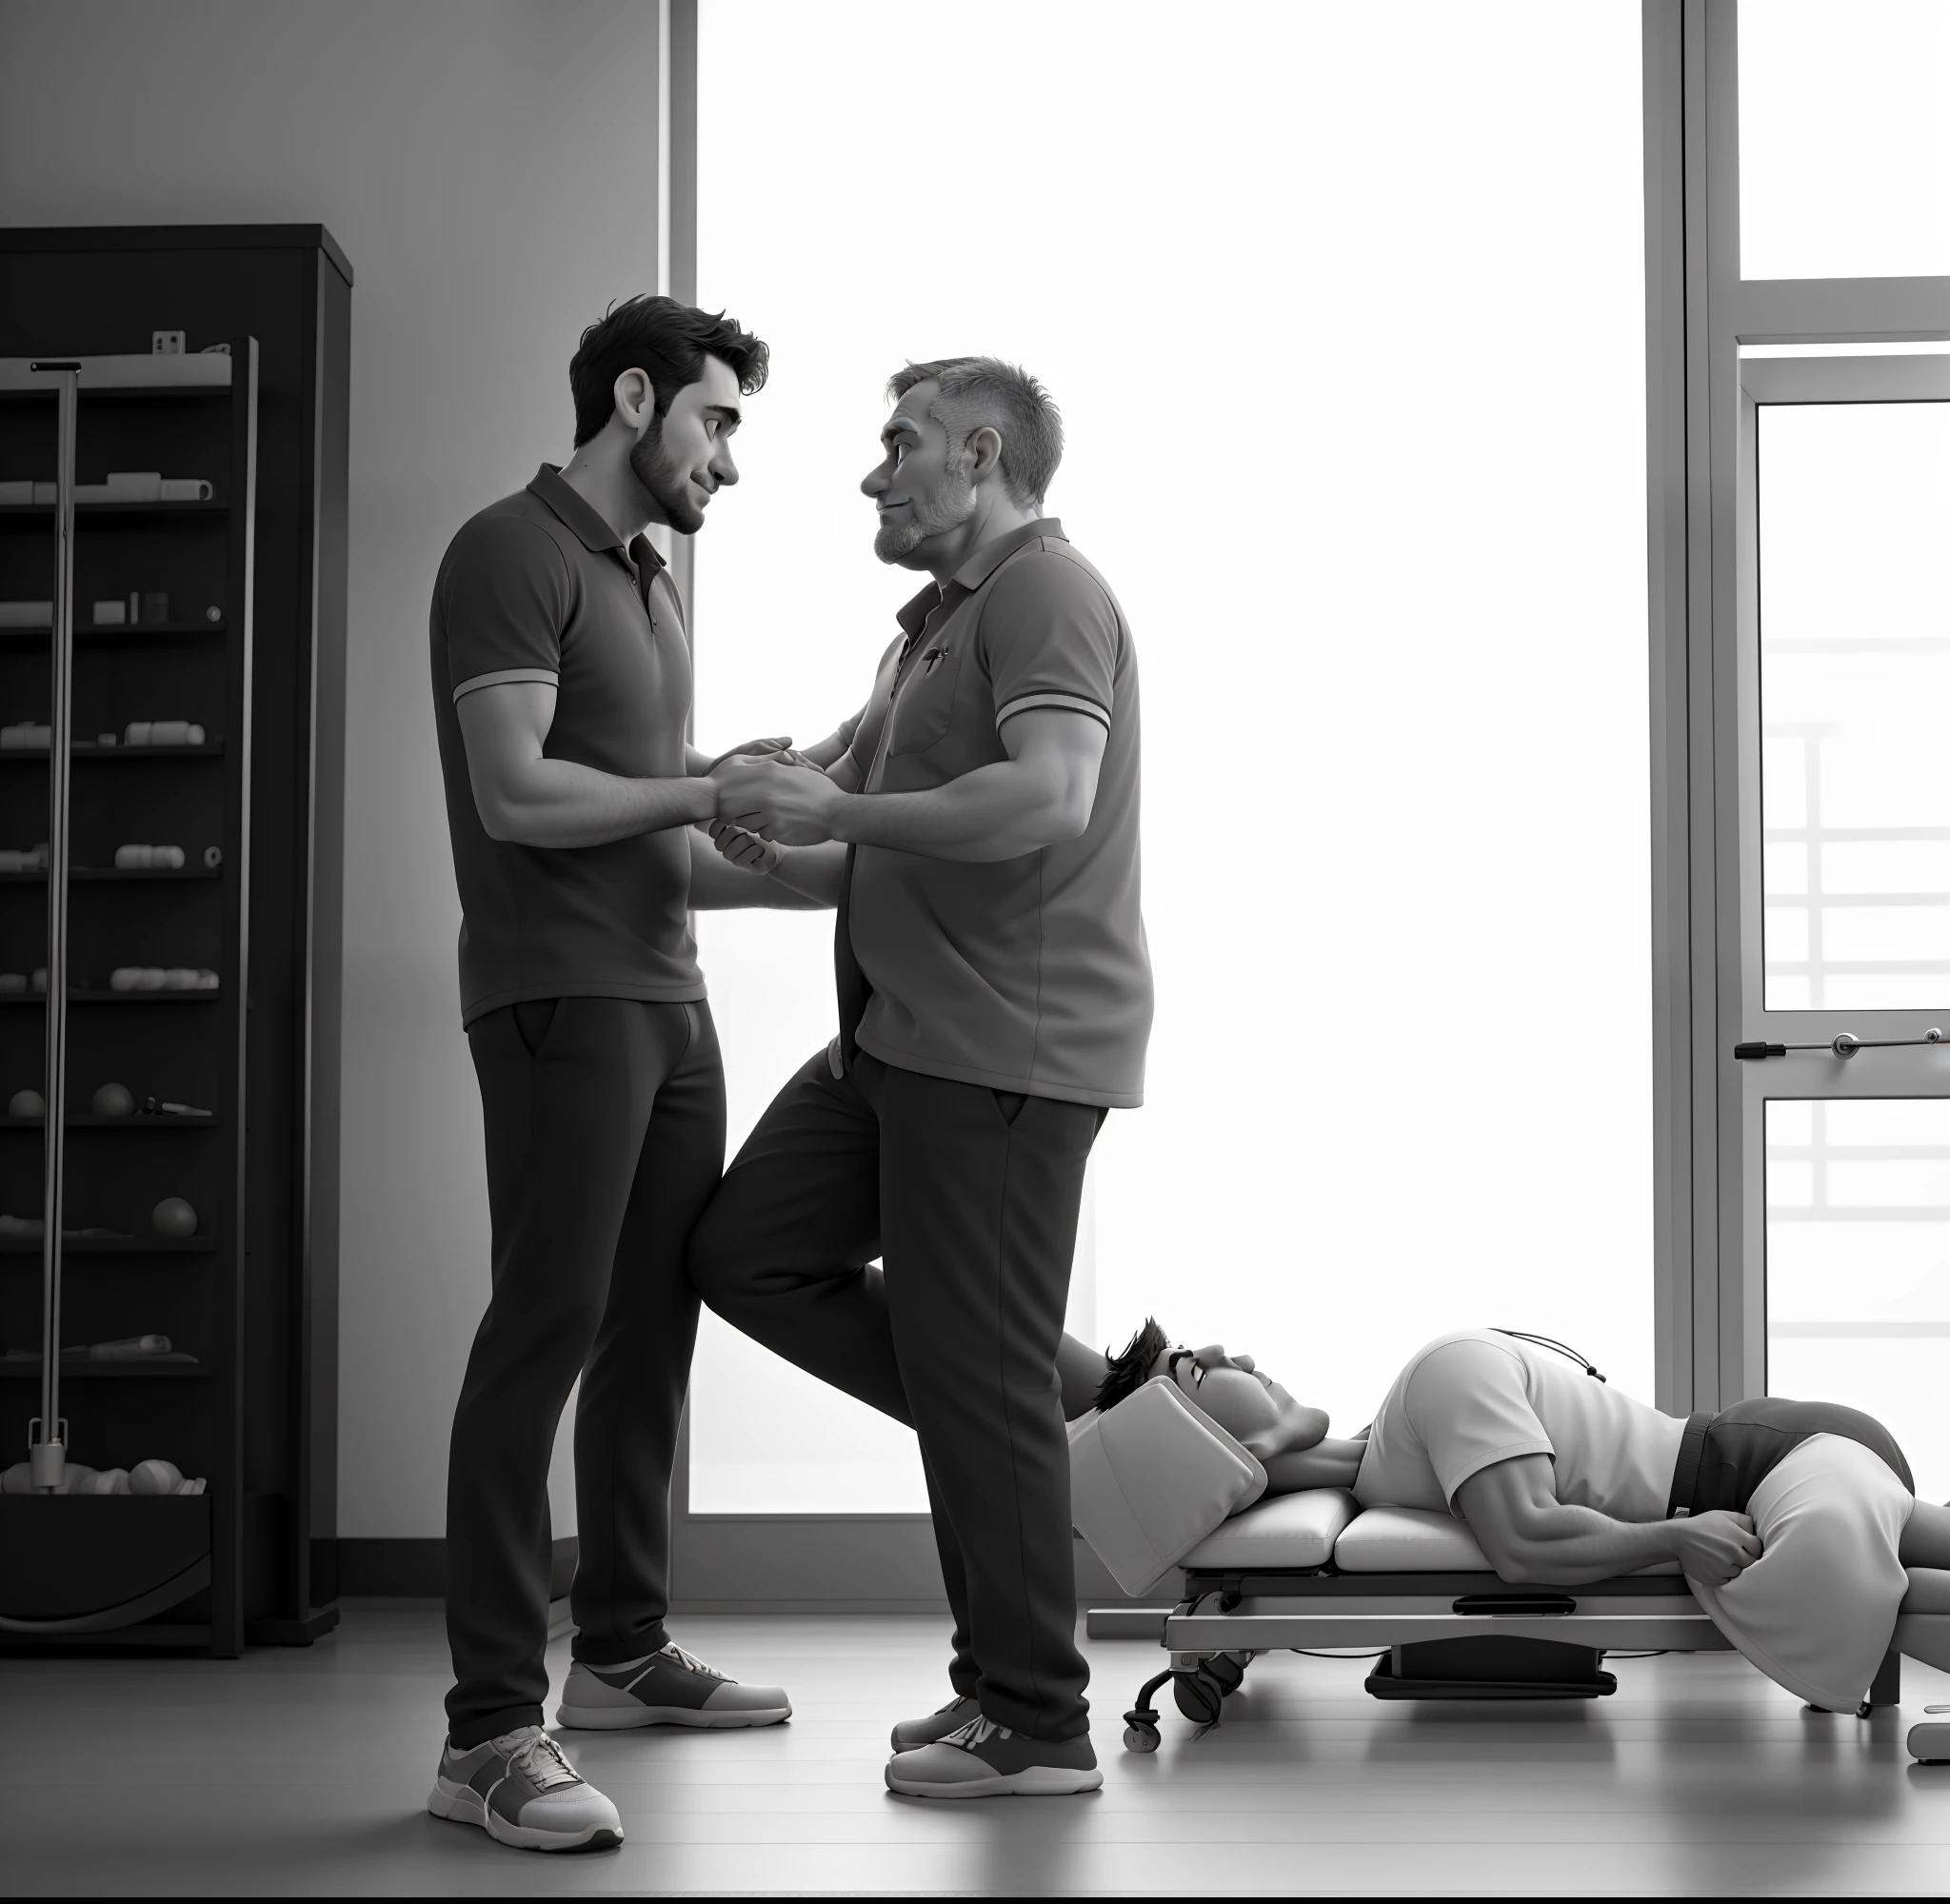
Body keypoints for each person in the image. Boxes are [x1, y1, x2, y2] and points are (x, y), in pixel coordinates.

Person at [686, 356, 1152, 1799]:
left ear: (984, 451)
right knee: (750, 1250)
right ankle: (1055, 1394)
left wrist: (829, 803)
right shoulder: (927, 635)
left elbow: (1047, 794)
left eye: (901, 444)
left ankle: (1036, 1720)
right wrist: (700, 832)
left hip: (1001, 1048)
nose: (875, 471)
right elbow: (845, 841)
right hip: (898, 1042)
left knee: (978, 1373)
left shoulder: (1046, 595)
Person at [425, 295, 822, 1854]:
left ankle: (620, 1651)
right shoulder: (504, 553)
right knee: (544, 1330)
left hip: (668, 1000)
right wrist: (702, 784)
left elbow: (658, 830)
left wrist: (834, 862)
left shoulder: (653, 585)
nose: (729, 458)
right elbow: (520, 794)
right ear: (637, 397)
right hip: (554, 1002)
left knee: (652, 1321)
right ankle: (483, 1736)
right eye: (718, 421)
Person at [1091, 1320, 1944, 1716]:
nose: (1231, 1352)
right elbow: (1262, 1475)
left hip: (1772, 1465)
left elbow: (1527, 1536)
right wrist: (1253, 1452)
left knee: (1871, 1600)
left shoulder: (1440, 1376)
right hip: (1767, 1467)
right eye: (1197, 1372)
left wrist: (1675, 1538)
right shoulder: (1375, 1458)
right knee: (1889, 1587)